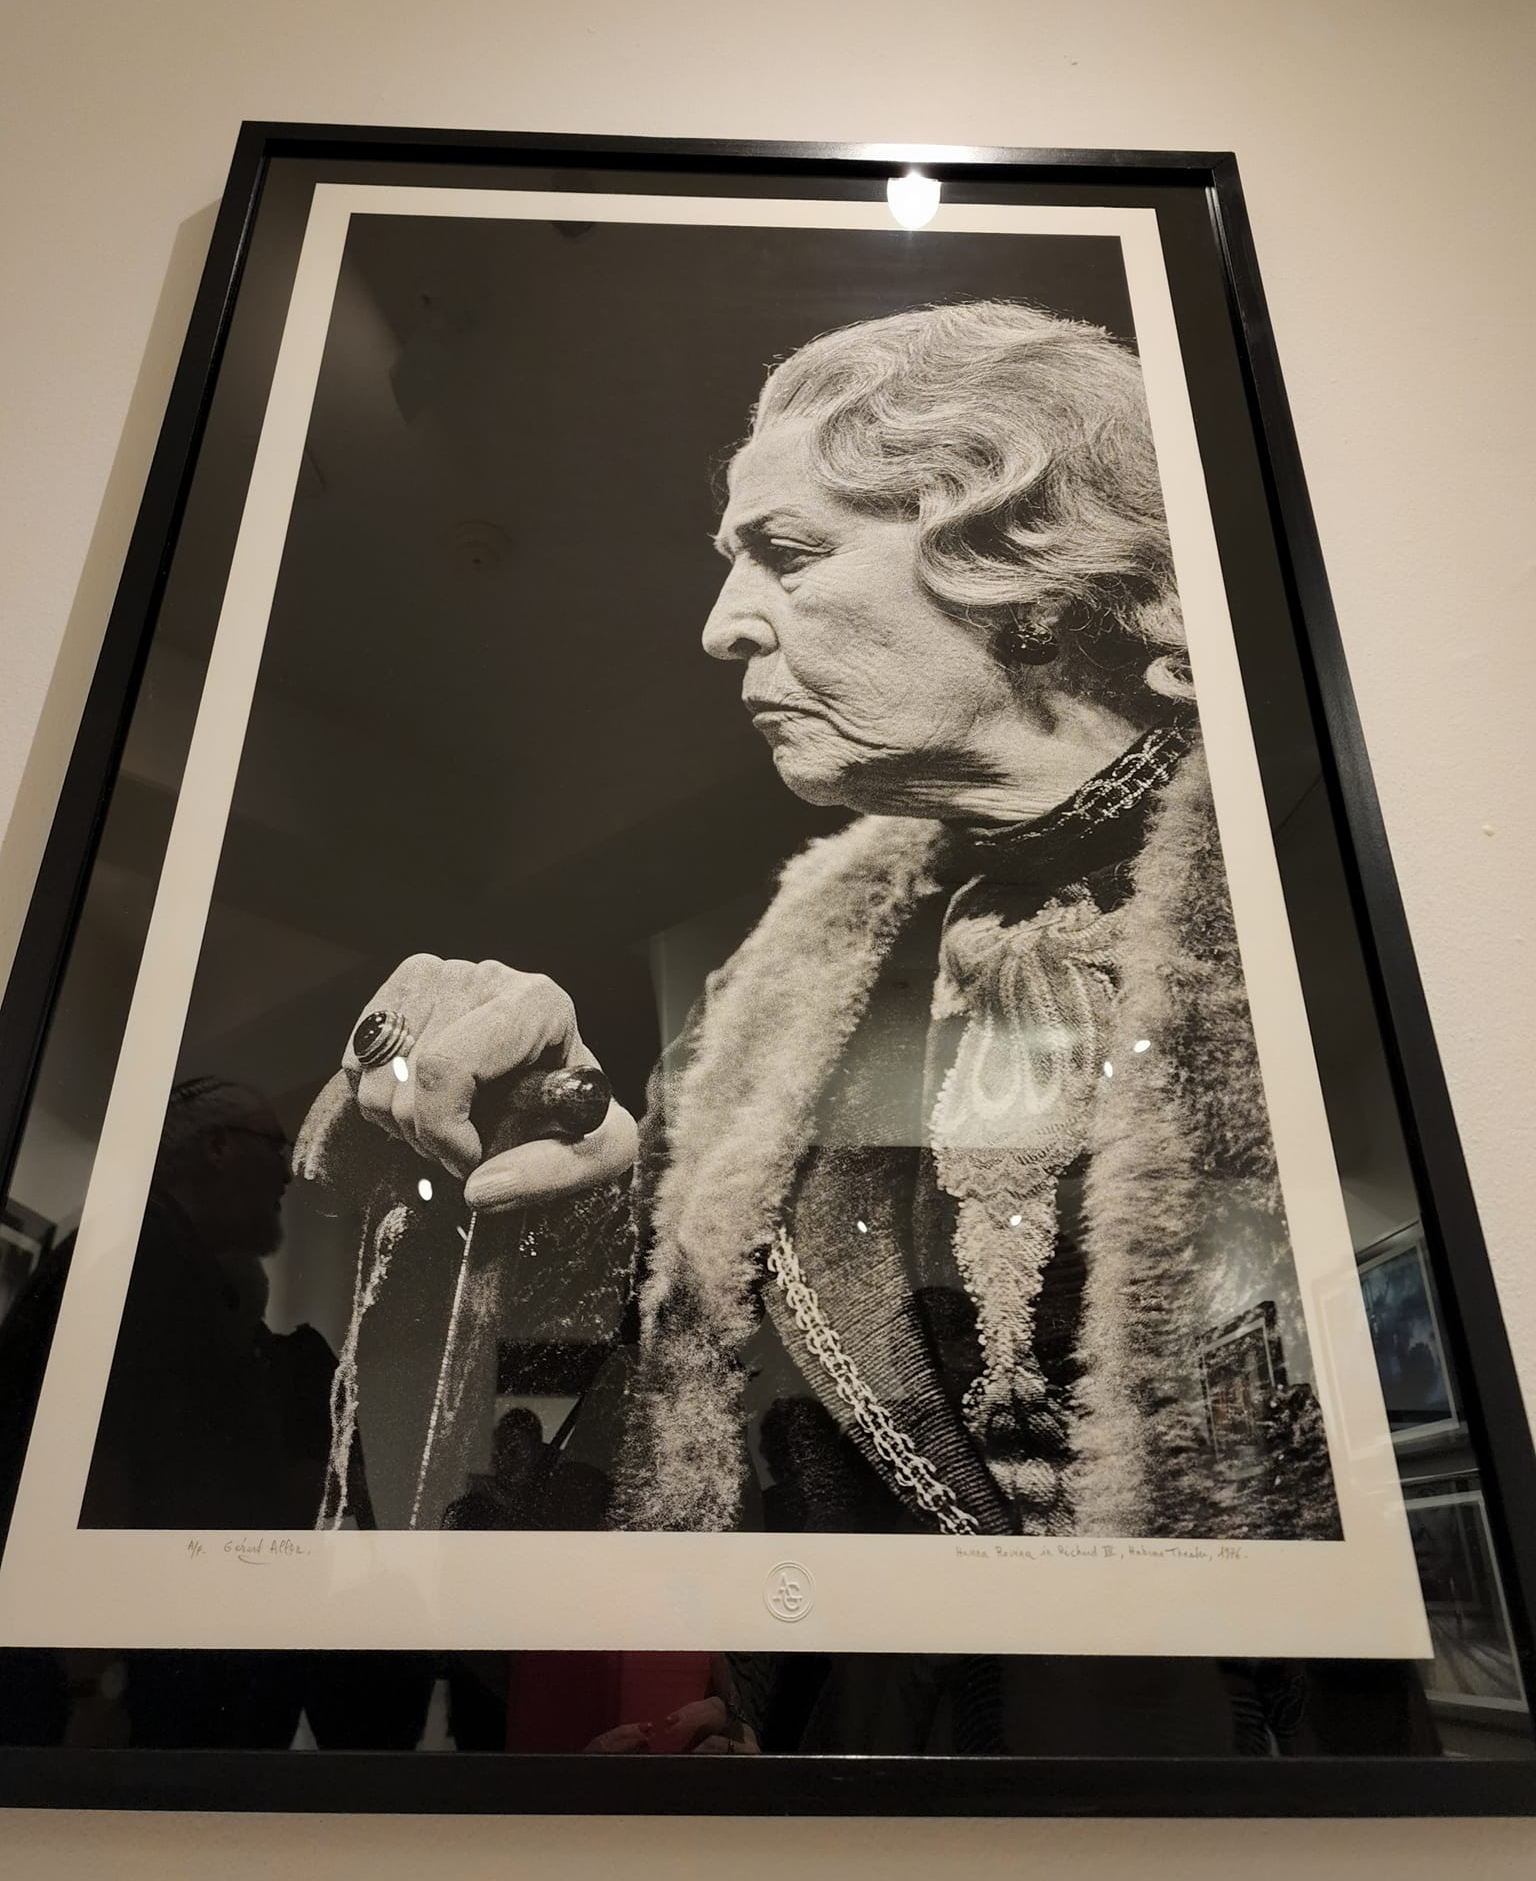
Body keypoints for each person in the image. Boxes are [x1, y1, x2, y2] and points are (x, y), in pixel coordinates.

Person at [298, 298, 1338, 1546]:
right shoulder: (769, 999)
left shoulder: (1332, 883)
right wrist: (567, 1157)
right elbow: (668, 1408)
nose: (721, 626)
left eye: (787, 552)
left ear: (1031, 562)